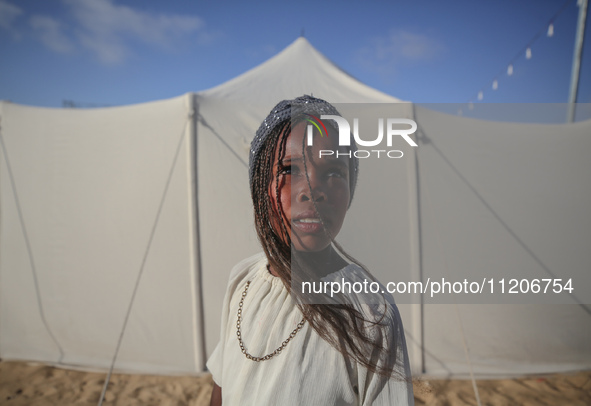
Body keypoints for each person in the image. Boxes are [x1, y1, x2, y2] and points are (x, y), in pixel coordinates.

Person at [207, 95, 414, 405]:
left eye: (334, 173)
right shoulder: (243, 280)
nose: (312, 189)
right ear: (260, 187)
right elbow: (222, 386)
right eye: (289, 169)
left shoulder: (372, 313)